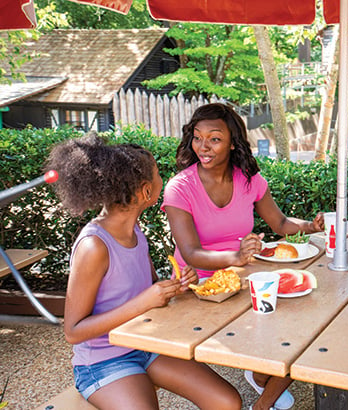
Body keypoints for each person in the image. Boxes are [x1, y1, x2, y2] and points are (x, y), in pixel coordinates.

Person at [45, 134, 242, 409]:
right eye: (158, 174)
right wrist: (144, 301)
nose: (164, 179)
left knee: (227, 402)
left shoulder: (135, 230)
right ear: (145, 192)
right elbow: (73, 331)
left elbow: (148, 289)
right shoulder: (94, 246)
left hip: (146, 344)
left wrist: (177, 286)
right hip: (103, 361)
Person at [162, 103, 323, 410]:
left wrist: (310, 226)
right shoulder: (179, 188)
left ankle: (262, 384)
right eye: (197, 137)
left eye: (214, 138)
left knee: (307, 324)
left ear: (233, 142)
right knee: (286, 329)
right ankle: (264, 387)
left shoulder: (248, 179)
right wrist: (235, 257)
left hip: (243, 279)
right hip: (199, 290)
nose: (203, 147)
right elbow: (190, 254)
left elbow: (280, 223)